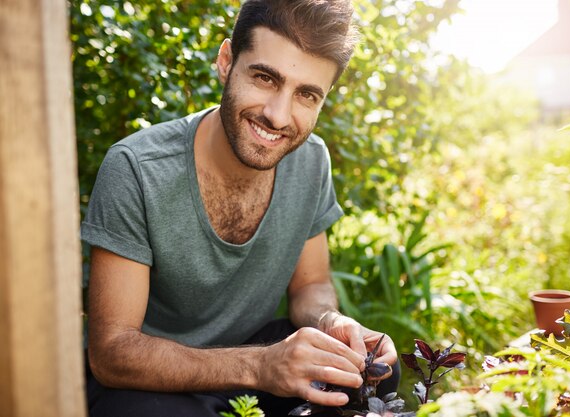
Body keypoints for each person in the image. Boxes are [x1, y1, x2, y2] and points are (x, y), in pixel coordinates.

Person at [81, 0, 398, 416]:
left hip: (255, 352)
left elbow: (309, 286)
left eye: (306, 95)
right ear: (227, 61)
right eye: (266, 78)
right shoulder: (137, 169)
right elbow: (112, 353)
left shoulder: (311, 160)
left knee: (371, 372)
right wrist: (261, 365)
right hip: (153, 377)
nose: (278, 116)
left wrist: (331, 322)